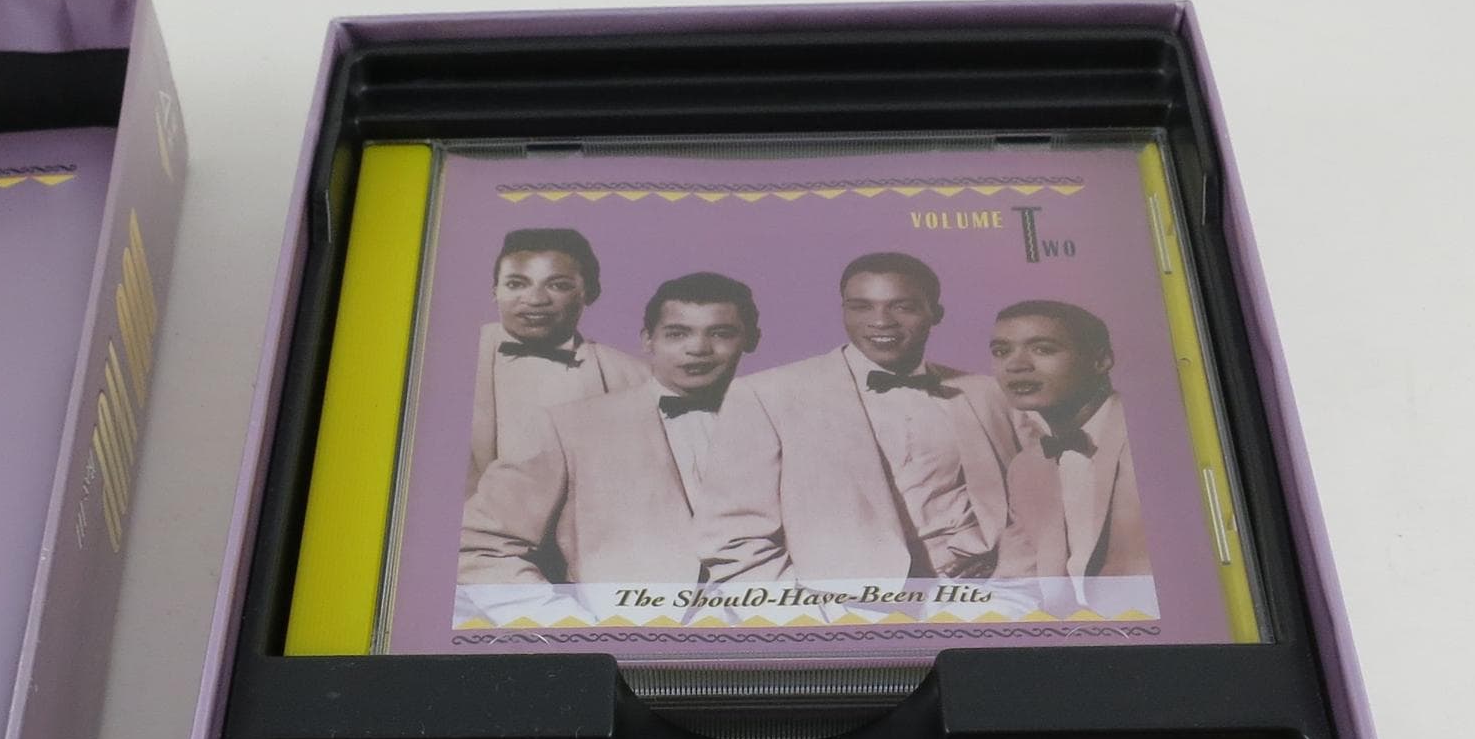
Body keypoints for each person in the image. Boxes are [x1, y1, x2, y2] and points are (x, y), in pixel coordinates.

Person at [696, 251, 1026, 586]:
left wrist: (1007, 565)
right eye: (861, 307)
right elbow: (732, 537)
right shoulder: (765, 395)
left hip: (978, 595)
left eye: (903, 307)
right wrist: (803, 609)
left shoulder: (988, 393)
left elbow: (1035, 499)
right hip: (838, 606)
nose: (881, 321)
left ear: (935, 313)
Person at [459, 272, 761, 588]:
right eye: (676, 333)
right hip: (620, 617)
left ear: (752, 339)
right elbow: (479, 546)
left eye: (721, 334)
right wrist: (559, 616)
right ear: (647, 339)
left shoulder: (776, 421)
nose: (698, 348)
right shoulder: (568, 427)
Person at [465, 226, 651, 492]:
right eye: (516, 284)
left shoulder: (635, 378)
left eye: (558, 285)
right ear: (495, 291)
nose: (535, 300)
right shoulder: (457, 361)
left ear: (590, 293)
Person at [990, 300, 1147, 579]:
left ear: (1101, 361)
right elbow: (1016, 581)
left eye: (1043, 349)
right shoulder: (1025, 468)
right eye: (1001, 352)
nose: (1015, 365)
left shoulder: (1151, 438)